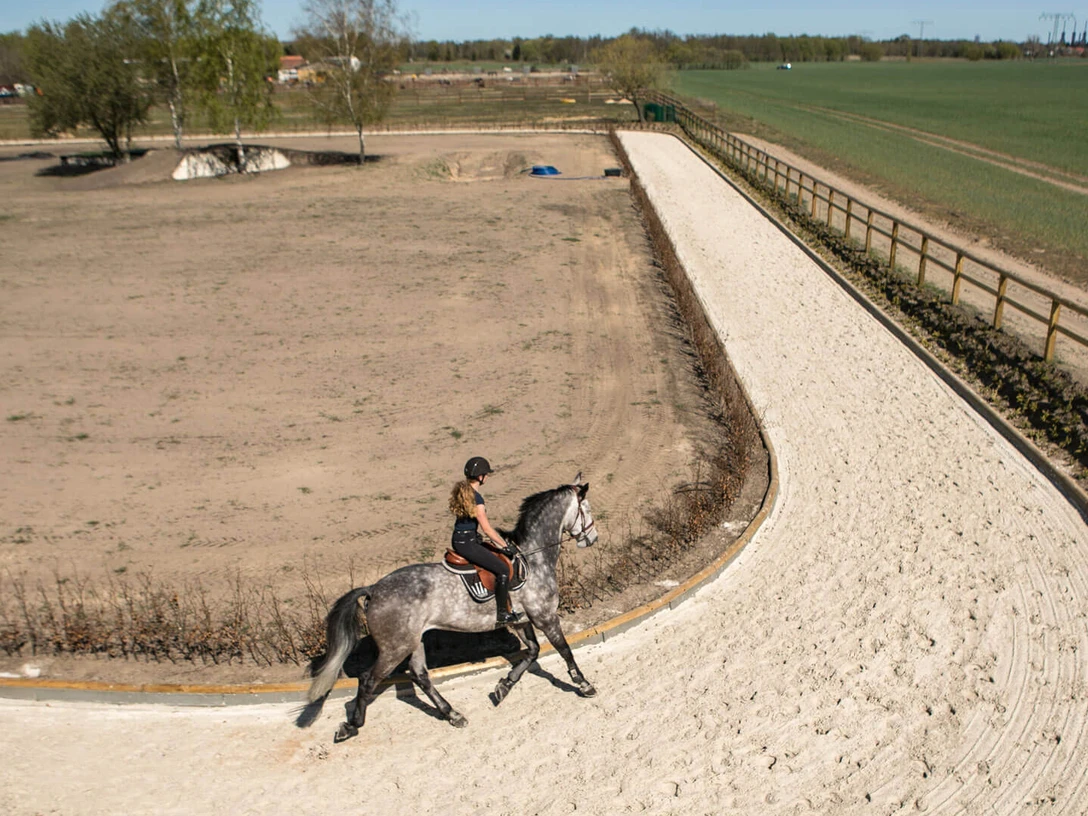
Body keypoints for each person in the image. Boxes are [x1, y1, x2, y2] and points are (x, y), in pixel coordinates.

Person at [449, 456, 522, 626]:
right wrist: (506, 547)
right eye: (486, 474)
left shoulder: (463, 492)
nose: (487, 477)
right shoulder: (477, 499)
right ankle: (502, 614)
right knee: (503, 570)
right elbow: (487, 529)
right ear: (480, 476)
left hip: (461, 538)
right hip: (468, 543)